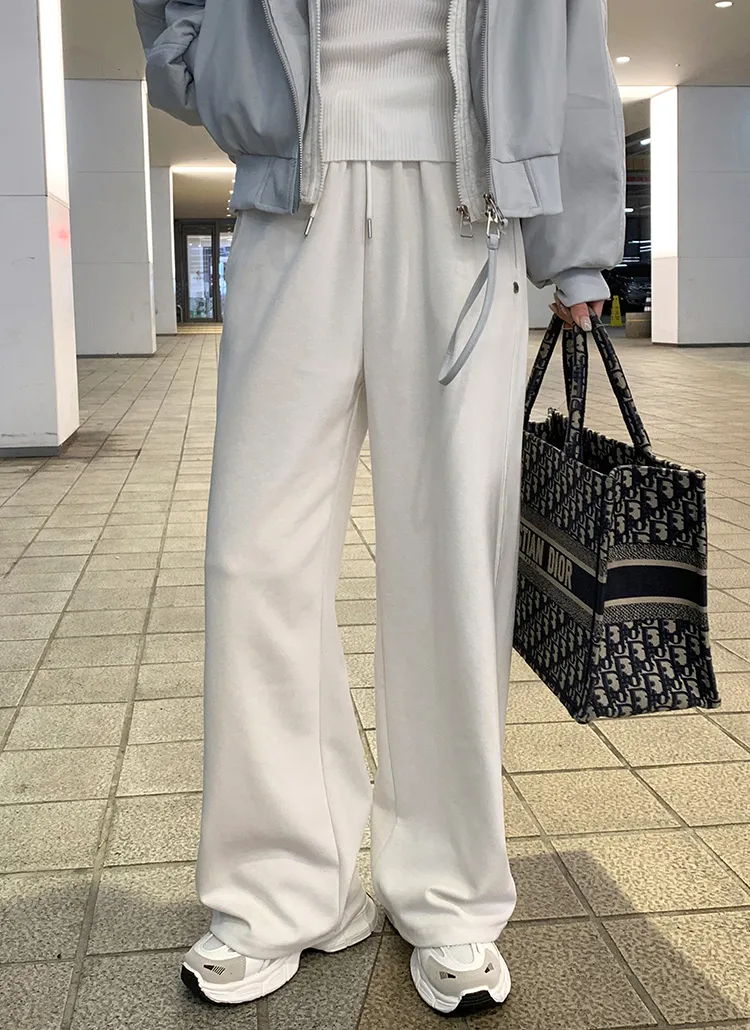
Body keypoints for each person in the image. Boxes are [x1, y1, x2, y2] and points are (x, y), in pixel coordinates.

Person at [134, 0, 623, 1015]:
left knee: (453, 558)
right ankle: (281, 888)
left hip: (469, 203)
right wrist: (196, 61)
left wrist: (575, 244)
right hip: (290, 192)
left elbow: (571, 36)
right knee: (253, 557)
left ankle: (448, 889)